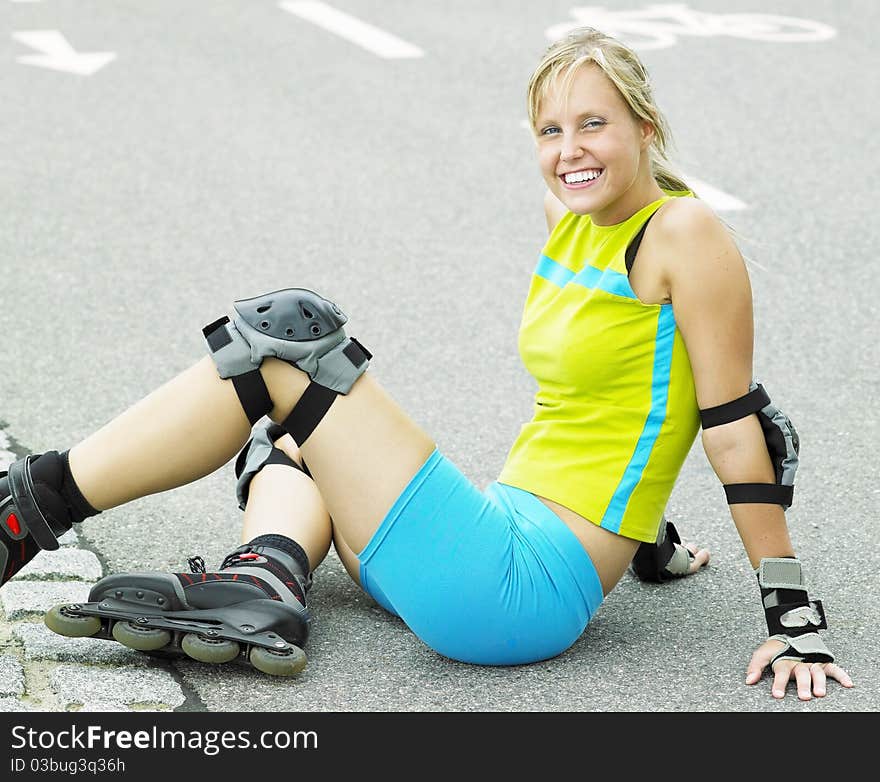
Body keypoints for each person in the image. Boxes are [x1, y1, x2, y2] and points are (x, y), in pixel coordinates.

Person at [0, 27, 852, 698]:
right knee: (288, 441)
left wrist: (793, 616)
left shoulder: (683, 232)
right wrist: (650, 539)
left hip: (515, 587)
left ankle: (25, 507)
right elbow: (621, 391)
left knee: (287, 345)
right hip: (489, 538)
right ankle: (270, 573)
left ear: (646, 126)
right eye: (550, 130)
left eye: (594, 124)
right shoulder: (572, 219)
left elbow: (739, 428)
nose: (570, 149)